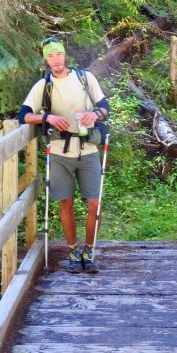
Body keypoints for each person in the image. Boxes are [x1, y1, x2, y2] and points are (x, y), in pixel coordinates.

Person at [18, 37, 110, 273]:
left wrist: (96, 115)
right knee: (65, 202)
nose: (55, 59)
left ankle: (89, 250)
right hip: (59, 151)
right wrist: (46, 117)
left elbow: (104, 106)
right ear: (46, 59)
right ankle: (72, 250)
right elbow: (24, 116)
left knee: (94, 204)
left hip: (88, 149)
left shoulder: (85, 78)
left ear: (64, 55)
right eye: (50, 56)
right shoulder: (43, 85)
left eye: (58, 54)